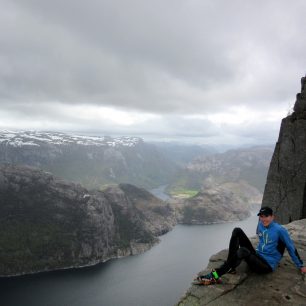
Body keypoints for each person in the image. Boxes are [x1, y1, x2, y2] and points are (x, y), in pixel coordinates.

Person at [194, 206, 306, 285]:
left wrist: (301, 266)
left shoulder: (280, 230)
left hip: (266, 265)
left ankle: (215, 275)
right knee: (237, 230)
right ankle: (231, 267)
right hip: (257, 256)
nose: (263, 219)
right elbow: (263, 242)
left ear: (272, 217)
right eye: (261, 216)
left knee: (242, 251)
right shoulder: (261, 225)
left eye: (266, 216)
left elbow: (291, 248)